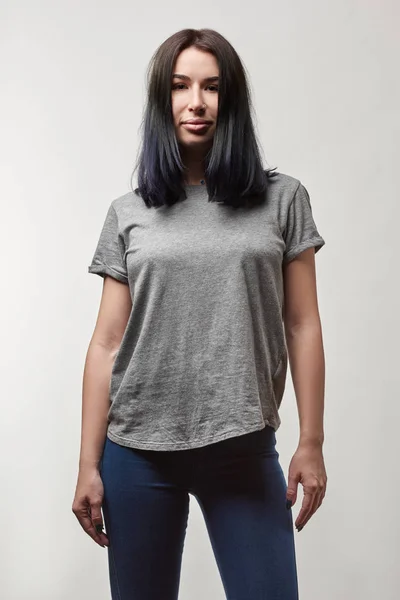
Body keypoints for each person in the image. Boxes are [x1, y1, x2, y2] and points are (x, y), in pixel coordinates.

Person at [72, 28, 328, 600]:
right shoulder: (129, 212)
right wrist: (89, 463)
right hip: (136, 451)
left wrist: (310, 440)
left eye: (212, 87)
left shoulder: (282, 200)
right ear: (162, 101)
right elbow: (107, 344)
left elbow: (303, 323)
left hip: (241, 445)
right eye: (181, 86)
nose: (196, 101)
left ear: (230, 99)